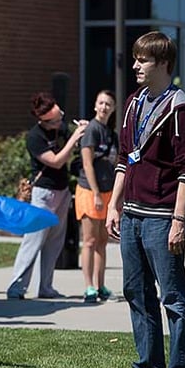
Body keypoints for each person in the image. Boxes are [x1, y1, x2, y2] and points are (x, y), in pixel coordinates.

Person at [105, 31, 185, 368]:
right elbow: (123, 159)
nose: (135, 66)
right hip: (130, 214)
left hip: (162, 218)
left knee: (173, 298)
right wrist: (113, 205)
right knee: (137, 293)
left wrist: (179, 220)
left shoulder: (182, 109)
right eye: (135, 59)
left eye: (142, 60)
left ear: (163, 63)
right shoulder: (133, 103)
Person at [6, 92, 87, 299]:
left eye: (61, 117)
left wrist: (82, 133)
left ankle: (46, 287)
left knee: (54, 243)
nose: (60, 123)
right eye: (56, 121)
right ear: (43, 121)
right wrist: (74, 138)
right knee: (34, 240)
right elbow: (57, 160)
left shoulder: (62, 128)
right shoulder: (35, 137)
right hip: (43, 194)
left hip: (62, 191)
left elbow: (74, 149)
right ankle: (16, 287)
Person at [75, 90, 118, 303]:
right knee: (90, 241)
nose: (104, 107)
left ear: (114, 108)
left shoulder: (111, 133)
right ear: (94, 106)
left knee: (102, 240)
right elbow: (87, 163)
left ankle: (101, 285)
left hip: (108, 190)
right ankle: (88, 287)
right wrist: (96, 193)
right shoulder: (92, 130)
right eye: (101, 103)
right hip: (90, 191)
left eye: (108, 104)